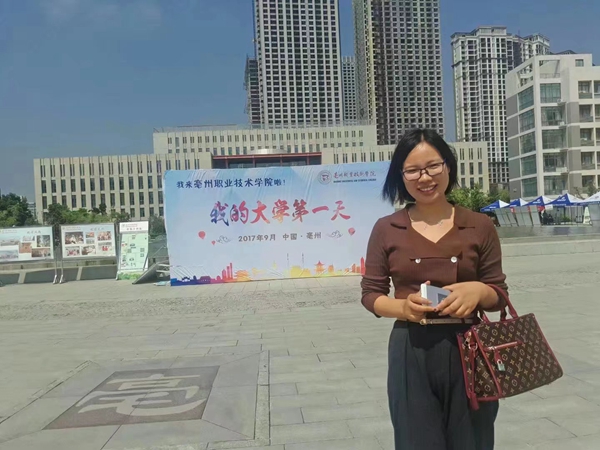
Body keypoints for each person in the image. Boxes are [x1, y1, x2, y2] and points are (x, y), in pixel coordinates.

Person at [361, 129, 508, 450]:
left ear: (448, 167)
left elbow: (498, 293)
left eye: (433, 166)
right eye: (413, 170)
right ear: (400, 176)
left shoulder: (479, 225)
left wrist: (477, 291)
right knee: (416, 440)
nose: (424, 177)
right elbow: (371, 294)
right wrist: (403, 308)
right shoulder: (387, 228)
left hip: (470, 347)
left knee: (472, 439)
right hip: (411, 348)